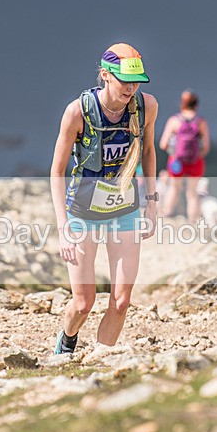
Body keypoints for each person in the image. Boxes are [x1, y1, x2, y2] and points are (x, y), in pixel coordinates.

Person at [49, 43, 159, 354]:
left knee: (122, 300)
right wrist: (63, 227)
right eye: (125, 80)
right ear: (106, 75)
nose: (131, 88)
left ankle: (101, 359)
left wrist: (152, 204)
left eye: (136, 81)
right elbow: (57, 171)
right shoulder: (77, 112)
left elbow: (149, 152)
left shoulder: (146, 106)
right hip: (82, 212)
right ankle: (67, 341)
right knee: (83, 303)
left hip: (124, 209)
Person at [158, 90, 210, 223]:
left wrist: (174, 153)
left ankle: (167, 215)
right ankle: (193, 220)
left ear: (182, 104)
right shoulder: (200, 122)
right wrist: (197, 155)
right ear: (196, 105)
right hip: (196, 162)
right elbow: (206, 146)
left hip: (176, 161)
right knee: (192, 193)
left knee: (174, 188)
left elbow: (163, 144)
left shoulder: (174, 121)